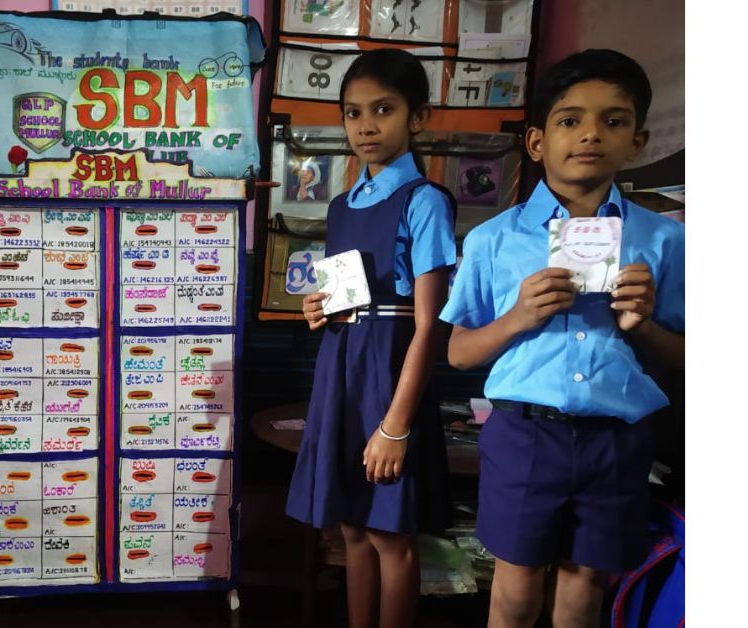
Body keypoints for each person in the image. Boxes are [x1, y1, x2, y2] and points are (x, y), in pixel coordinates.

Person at [440, 49, 684, 628]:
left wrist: (643, 324)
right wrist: (517, 317)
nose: (591, 135)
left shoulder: (664, 241)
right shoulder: (494, 241)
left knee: (584, 587)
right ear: (536, 142)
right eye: (570, 120)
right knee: (515, 585)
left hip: (618, 439)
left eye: (614, 120)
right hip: (525, 434)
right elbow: (457, 350)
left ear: (639, 140)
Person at [286, 48, 457, 628]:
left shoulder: (425, 201)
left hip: (391, 375)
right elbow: (349, 294)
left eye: (383, 109)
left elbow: (432, 324)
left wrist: (396, 425)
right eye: (353, 113)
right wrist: (321, 308)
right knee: (353, 529)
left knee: (391, 536)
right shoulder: (341, 205)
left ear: (418, 117)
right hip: (343, 369)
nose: (365, 126)